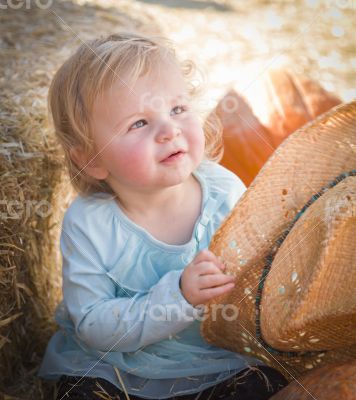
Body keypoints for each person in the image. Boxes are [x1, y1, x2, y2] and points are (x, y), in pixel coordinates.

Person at [38, 32, 287, 399]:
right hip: (118, 366)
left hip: (216, 359)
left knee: (271, 386)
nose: (169, 130)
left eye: (177, 109)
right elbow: (92, 323)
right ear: (90, 157)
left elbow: (260, 274)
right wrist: (179, 297)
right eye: (139, 123)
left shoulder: (223, 192)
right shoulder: (89, 224)